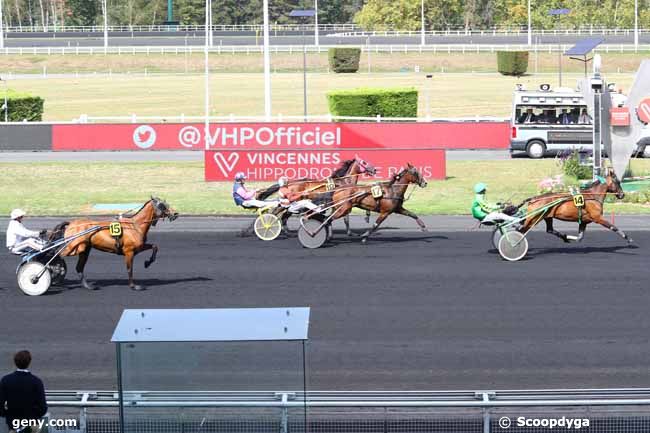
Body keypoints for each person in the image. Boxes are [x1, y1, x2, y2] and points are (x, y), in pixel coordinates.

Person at [0, 351, 47, 433]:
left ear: (15, 362)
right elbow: (43, 408)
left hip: (13, 424)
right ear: (29, 362)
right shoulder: (36, 381)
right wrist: (34, 415)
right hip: (32, 423)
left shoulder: (6, 380)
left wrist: (7, 414)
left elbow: (0, 405)